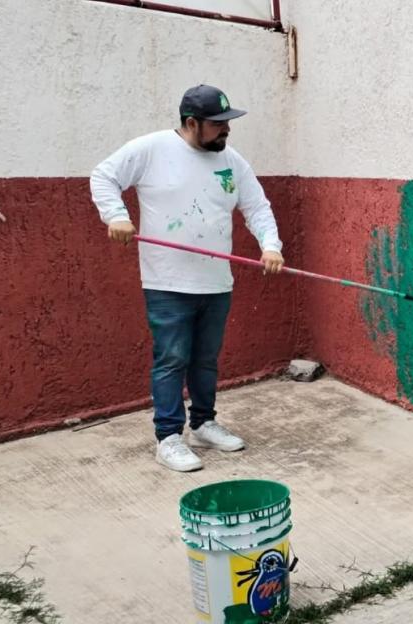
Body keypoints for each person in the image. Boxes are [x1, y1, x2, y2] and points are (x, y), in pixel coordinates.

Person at [90, 84, 284, 472]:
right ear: (191, 122)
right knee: (171, 359)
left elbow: (257, 205)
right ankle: (168, 437)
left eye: (228, 123)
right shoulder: (151, 150)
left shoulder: (231, 160)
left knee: (206, 359)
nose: (226, 131)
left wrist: (271, 245)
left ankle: (203, 423)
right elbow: (103, 176)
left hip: (215, 280)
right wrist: (116, 216)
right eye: (217, 124)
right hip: (167, 281)